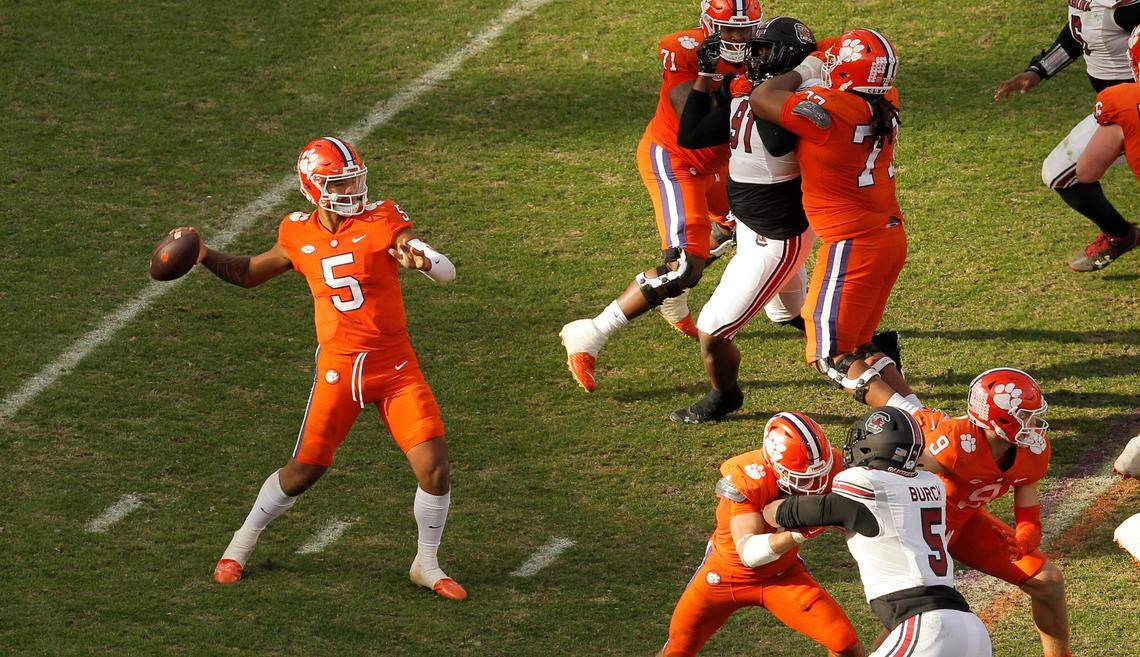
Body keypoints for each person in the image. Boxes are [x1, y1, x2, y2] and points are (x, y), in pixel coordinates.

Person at [180, 136, 466, 600]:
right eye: (340, 181)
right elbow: (250, 273)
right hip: (339, 372)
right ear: (312, 188)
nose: (353, 188)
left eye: (355, 178)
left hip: (395, 367)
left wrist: (426, 260)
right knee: (303, 471)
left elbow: (440, 266)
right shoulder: (297, 232)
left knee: (434, 469)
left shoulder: (382, 218)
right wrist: (206, 257)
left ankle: (426, 564)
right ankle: (240, 544)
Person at [559, 0, 762, 393]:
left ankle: (673, 294)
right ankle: (591, 332)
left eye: (746, 29)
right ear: (708, 24)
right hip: (676, 159)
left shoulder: (765, 47)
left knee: (746, 222)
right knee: (686, 265)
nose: (738, 37)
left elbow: (815, 47)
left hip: (719, 163)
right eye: (729, 29)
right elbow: (694, 124)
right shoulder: (684, 49)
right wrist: (726, 86)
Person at [747, 29, 920, 414]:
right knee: (861, 347)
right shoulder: (886, 98)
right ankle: (922, 416)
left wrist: (804, 68)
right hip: (887, 237)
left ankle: (918, 423)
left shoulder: (828, 109)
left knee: (832, 356)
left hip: (853, 244)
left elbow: (762, 99)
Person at [668, 18, 818, 423]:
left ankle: (725, 396)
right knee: (791, 315)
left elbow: (779, 140)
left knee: (712, 331)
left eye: (765, 50)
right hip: (755, 228)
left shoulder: (804, 102)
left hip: (777, 238)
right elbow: (692, 135)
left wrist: (767, 93)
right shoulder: (752, 95)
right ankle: (868, 348)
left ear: (788, 59)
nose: (755, 57)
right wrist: (705, 76)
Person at [764, 407, 992, 657]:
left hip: (926, 626)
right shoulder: (930, 483)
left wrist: (766, 500)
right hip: (970, 630)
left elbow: (786, 512)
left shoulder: (867, 484)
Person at [658, 412, 862, 657]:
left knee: (845, 644)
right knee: (677, 650)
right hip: (725, 577)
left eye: (821, 474)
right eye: (803, 479)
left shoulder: (830, 467)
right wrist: (800, 533)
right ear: (774, 467)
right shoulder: (749, 478)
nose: (817, 484)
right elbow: (750, 554)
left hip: (782, 574)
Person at [915, 368, 1069, 657]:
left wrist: (1023, 540)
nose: (1034, 423)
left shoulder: (1032, 450)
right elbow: (902, 483)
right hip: (925, 528)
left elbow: (1030, 517)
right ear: (999, 418)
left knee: (1048, 582)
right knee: (919, 611)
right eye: (1025, 415)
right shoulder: (953, 441)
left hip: (965, 521)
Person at [994, 0, 1140, 271]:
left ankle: (1119, 235)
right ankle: (1120, 234)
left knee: (1060, 172)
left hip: (1128, 112)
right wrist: (1039, 70)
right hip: (1117, 107)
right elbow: (1080, 30)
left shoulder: (1127, 8)